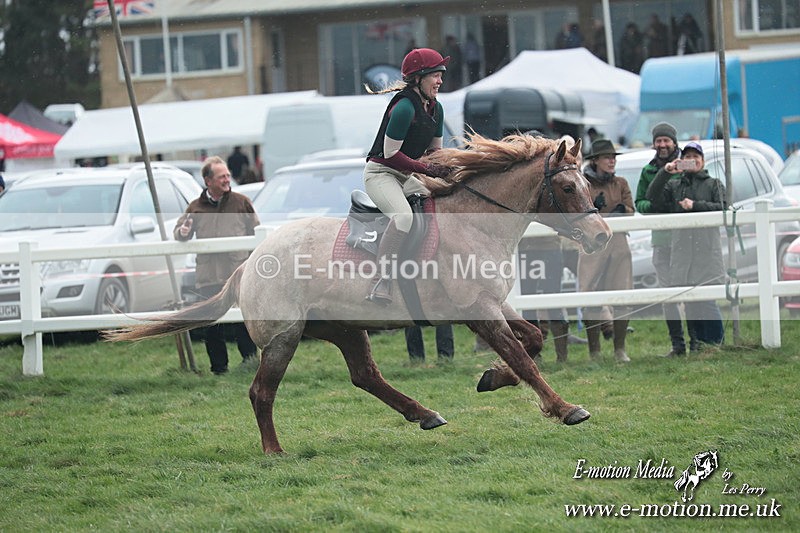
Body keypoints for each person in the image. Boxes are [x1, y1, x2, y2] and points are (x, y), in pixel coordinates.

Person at [362, 47, 453, 304]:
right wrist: (427, 170)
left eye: (440, 75)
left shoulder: (437, 109)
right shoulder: (404, 107)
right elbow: (391, 155)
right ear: (418, 78)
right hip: (381, 173)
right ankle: (381, 280)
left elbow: (435, 153)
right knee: (403, 217)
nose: (440, 81)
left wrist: (448, 172)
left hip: (405, 176)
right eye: (435, 75)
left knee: (440, 205)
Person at [174, 155, 260, 374]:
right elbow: (179, 231)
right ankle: (218, 369)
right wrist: (183, 233)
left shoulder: (242, 202)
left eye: (228, 175)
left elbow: (257, 233)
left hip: (239, 275)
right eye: (221, 176)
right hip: (208, 277)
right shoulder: (195, 207)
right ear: (208, 180)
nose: (226, 180)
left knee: (243, 323)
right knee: (212, 327)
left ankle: (250, 363)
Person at [646, 141, 726, 348]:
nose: (692, 161)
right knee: (689, 300)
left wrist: (695, 206)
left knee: (707, 300)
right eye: (688, 158)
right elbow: (651, 197)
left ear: (703, 160)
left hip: (706, 251)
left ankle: (716, 343)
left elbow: (724, 207)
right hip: (682, 253)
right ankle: (697, 344)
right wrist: (665, 171)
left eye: (696, 157)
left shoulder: (714, 184)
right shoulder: (674, 185)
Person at [578, 139, 635, 362]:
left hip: (619, 244)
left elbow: (630, 209)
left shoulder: (621, 183)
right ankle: (595, 352)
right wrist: (596, 209)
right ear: (595, 160)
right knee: (590, 295)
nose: (612, 161)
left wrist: (622, 210)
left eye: (614, 157)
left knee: (622, 295)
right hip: (592, 247)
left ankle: (620, 348)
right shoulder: (583, 184)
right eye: (607, 157)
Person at [635, 122, 688, 357]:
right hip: (662, 240)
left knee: (692, 290)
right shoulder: (648, 171)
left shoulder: (687, 164)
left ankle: (699, 341)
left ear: (674, 142)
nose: (662, 144)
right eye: (658, 140)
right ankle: (677, 344)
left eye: (666, 140)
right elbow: (640, 203)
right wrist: (655, 207)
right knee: (668, 294)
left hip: (688, 239)